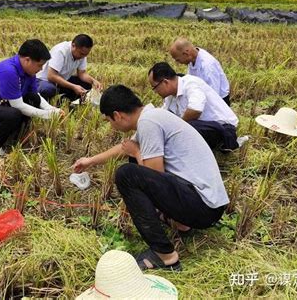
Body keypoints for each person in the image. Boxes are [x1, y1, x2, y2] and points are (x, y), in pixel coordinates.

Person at [73, 85, 229, 271]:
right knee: (133, 158)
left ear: (118, 115)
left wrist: (137, 152)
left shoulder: (149, 123)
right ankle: (182, 224)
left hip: (203, 207)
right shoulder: (151, 116)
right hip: (208, 203)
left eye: (109, 121)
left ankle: (165, 255)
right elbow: (125, 147)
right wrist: (90, 161)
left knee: (127, 174)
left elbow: (155, 175)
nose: (111, 126)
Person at [0, 39, 62, 155]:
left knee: (33, 98)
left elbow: (35, 94)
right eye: (40, 65)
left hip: (2, 105)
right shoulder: (8, 71)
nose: (41, 69)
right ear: (27, 60)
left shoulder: (29, 72)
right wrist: (47, 115)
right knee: (13, 114)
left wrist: (50, 108)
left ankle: (13, 134)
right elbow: (17, 105)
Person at [148, 62, 246, 151]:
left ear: (165, 82)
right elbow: (165, 115)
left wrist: (176, 128)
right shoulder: (170, 97)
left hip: (223, 129)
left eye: (155, 87)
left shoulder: (191, 84)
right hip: (205, 128)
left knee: (188, 128)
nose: (155, 92)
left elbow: (195, 110)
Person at [37, 34, 102, 103]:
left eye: (86, 54)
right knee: (49, 89)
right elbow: (51, 76)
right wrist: (73, 87)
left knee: (87, 84)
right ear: (73, 46)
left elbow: (82, 73)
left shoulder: (82, 54)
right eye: (81, 54)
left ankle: (67, 102)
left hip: (60, 81)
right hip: (43, 81)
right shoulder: (61, 51)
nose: (83, 57)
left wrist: (93, 81)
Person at [169, 37, 231, 106]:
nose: (178, 63)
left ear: (186, 53)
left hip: (219, 102)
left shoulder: (207, 66)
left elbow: (214, 94)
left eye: (178, 60)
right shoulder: (192, 58)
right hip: (203, 98)